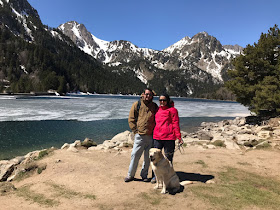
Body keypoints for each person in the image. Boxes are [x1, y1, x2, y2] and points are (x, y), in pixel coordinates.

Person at [124, 88, 158, 182]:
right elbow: (131, 118)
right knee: (135, 155)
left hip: (150, 136)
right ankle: (130, 175)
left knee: (147, 158)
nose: (148, 96)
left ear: (152, 96)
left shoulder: (154, 106)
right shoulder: (137, 104)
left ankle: (144, 175)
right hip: (140, 135)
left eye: (150, 95)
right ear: (143, 94)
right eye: (146, 94)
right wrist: (135, 131)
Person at [151, 93, 183, 183]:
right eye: (160, 100)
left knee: (168, 158)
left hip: (169, 137)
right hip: (157, 137)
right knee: (155, 158)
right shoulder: (157, 110)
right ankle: (155, 177)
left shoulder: (173, 110)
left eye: (164, 100)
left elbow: (175, 123)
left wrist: (179, 137)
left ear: (167, 101)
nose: (162, 102)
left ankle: (168, 176)